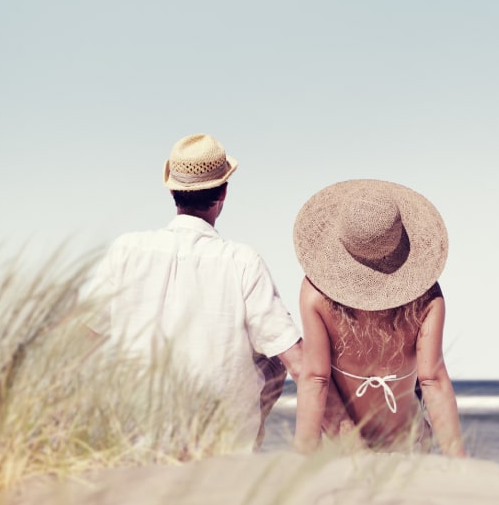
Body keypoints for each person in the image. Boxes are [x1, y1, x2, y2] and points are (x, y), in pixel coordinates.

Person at [80, 133, 304, 450]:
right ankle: (249, 439)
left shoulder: (126, 250)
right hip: (222, 442)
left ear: (172, 190)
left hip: (137, 436)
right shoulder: (242, 260)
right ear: (223, 191)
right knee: (275, 354)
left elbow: (78, 341)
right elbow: (298, 362)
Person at [291, 179, 465, 457]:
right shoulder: (427, 297)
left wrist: (302, 457)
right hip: (407, 442)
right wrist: (459, 462)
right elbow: (432, 380)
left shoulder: (315, 295)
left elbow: (315, 379)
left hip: (346, 448)